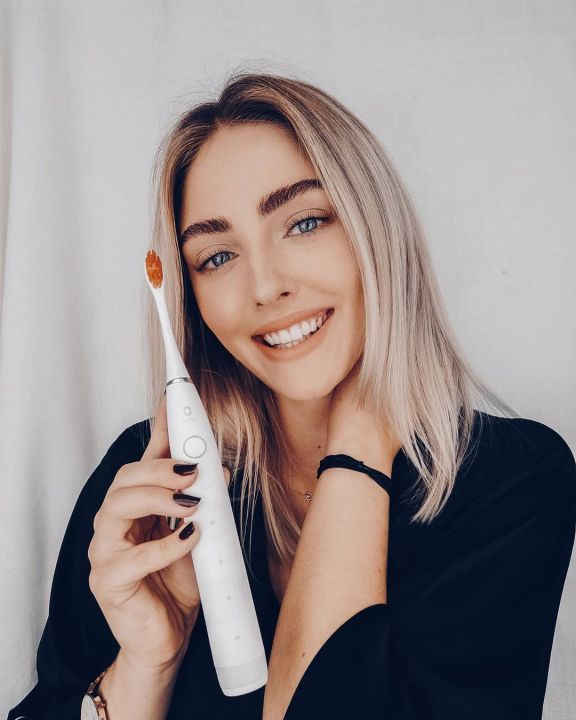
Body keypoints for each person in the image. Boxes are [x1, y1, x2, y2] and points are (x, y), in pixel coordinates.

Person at [8, 70, 576, 720]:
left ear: (374, 232)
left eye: (304, 223)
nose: (265, 287)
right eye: (217, 257)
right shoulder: (152, 486)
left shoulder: (512, 482)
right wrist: (146, 664)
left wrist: (360, 437)